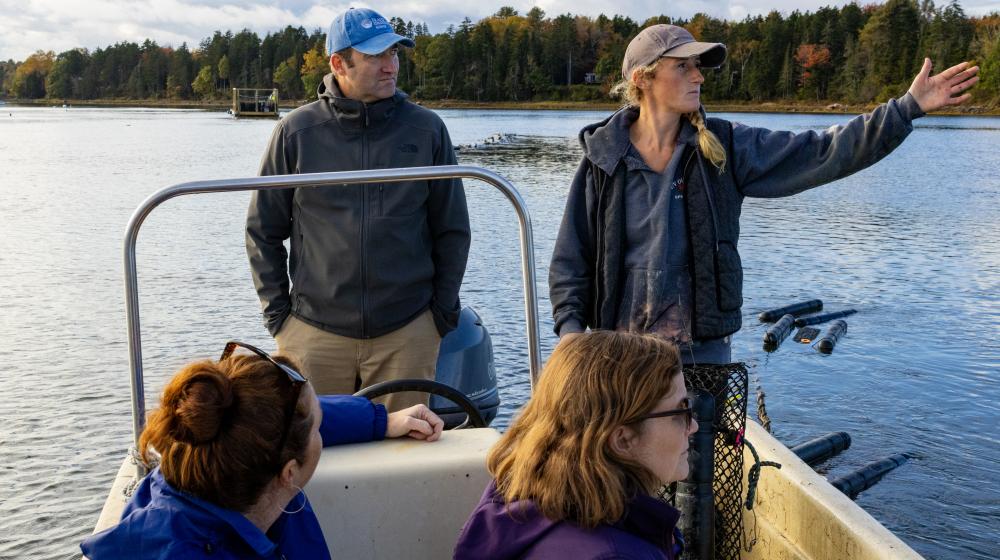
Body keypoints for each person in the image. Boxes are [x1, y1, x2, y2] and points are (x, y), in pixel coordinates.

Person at [548, 24, 980, 364]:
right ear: (643, 79)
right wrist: (570, 334)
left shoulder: (728, 148)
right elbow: (572, 260)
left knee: (700, 477)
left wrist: (906, 108)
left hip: (703, 360)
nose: (699, 76)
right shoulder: (602, 162)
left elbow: (823, 151)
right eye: (684, 66)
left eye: (699, 66)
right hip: (623, 357)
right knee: (625, 474)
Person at [246, 7, 471, 411]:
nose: (391, 67)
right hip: (314, 332)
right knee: (317, 458)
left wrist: (439, 316)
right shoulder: (296, 132)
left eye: (395, 54)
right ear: (338, 63)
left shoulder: (427, 130)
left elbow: (452, 229)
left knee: (405, 459)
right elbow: (263, 230)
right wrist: (280, 319)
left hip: (407, 330)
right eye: (376, 56)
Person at [81, 341, 444, 559]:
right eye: (317, 428)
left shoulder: (223, 458)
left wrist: (380, 421)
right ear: (289, 473)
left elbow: (298, 417)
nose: (321, 427)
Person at [454, 331, 695, 559]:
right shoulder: (615, 554)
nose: (693, 426)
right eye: (681, 411)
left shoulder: (514, 503)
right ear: (622, 440)